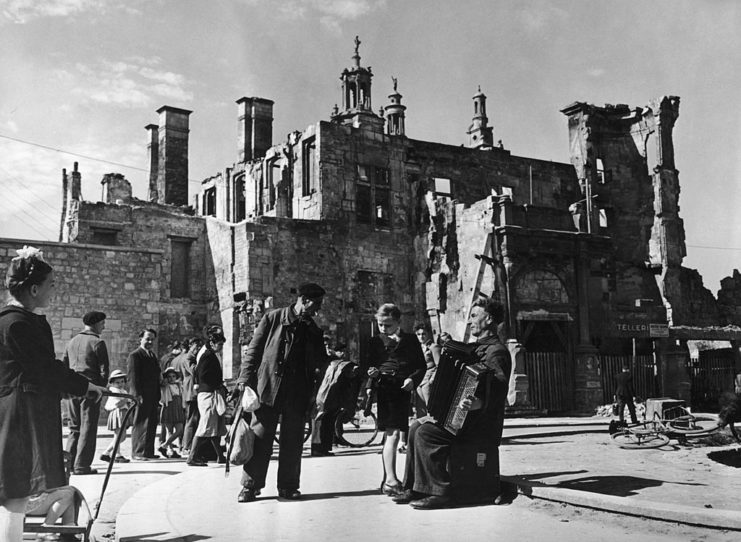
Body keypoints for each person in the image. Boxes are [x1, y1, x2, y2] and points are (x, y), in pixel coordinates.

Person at [0, 246, 106, 542]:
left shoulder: (18, 321)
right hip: (21, 417)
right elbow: (45, 369)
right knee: (15, 495)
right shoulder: (16, 324)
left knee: (17, 493)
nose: (54, 290)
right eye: (51, 285)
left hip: (24, 414)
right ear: (34, 289)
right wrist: (85, 386)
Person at [393, 297, 512, 509]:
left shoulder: (497, 351)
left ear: (489, 319)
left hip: (480, 423)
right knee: (415, 427)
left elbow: (499, 387)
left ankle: (439, 491)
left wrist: (478, 402)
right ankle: (414, 487)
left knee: (426, 433)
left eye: (475, 316)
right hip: (464, 417)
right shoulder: (474, 349)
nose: (470, 321)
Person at [235, 282, 329, 502]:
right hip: (268, 389)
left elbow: (320, 362)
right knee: (260, 438)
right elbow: (254, 351)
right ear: (303, 300)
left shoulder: (313, 330)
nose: (318, 310)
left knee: (293, 441)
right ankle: (250, 485)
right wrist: (244, 380)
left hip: (297, 393)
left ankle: (288, 487)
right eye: (316, 304)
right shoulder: (273, 319)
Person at [365, 303, 426, 496]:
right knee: (391, 433)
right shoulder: (374, 342)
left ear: (398, 322)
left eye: (388, 325)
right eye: (380, 325)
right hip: (386, 389)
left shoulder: (411, 340)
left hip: (403, 390)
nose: (383, 329)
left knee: (397, 431)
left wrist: (412, 379)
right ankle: (391, 480)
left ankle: (388, 479)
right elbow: (368, 366)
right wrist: (370, 380)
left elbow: (421, 366)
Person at [63, 310, 110, 475]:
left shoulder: (72, 342)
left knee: (74, 428)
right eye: (102, 323)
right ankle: (82, 466)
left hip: (72, 390)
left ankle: (67, 464)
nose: (103, 327)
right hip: (91, 391)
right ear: (96, 323)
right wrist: (101, 388)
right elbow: (104, 372)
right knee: (88, 427)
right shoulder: (97, 342)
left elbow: (63, 365)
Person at [187, 325, 227, 467]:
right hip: (208, 393)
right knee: (205, 425)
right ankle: (191, 457)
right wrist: (217, 384)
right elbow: (202, 375)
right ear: (212, 343)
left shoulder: (210, 354)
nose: (221, 347)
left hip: (209, 392)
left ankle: (220, 456)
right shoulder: (207, 356)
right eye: (220, 345)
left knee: (213, 425)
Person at [311, 342, 358, 456]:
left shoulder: (334, 363)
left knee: (326, 422)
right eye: (341, 351)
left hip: (328, 397)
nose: (343, 354)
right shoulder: (334, 363)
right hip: (326, 397)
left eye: (345, 352)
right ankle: (318, 448)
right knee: (322, 422)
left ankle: (323, 448)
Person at [127, 328, 162, 460]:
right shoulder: (135, 355)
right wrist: (137, 394)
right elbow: (133, 377)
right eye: (147, 339)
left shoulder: (152, 356)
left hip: (152, 395)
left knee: (151, 423)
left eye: (152, 339)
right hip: (141, 395)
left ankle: (148, 451)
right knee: (141, 422)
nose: (150, 341)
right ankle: (138, 452)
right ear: (140, 339)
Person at [172, 337, 203, 454]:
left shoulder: (190, 357)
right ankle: (187, 446)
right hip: (190, 391)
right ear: (191, 345)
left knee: (193, 419)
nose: (198, 349)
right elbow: (194, 371)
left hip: (191, 390)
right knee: (191, 419)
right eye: (196, 346)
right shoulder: (189, 358)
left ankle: (188, 444)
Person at [100, 369, 133, 463]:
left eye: (122, 381)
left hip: (123, 412)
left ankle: (111, 454)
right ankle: (112, 453)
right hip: (118, 413)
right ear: (112, 383)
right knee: (120, 436)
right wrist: (127, 399)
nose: (121, 384)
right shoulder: (114, 392)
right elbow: (117, 404)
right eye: (117, 382)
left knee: (118, 436)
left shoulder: (122, 391)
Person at [159, 367, 186, 459]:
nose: (171, 378)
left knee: (180, 430)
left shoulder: (178, 385)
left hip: (177, 407)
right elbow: (162, 384)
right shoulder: (165, 386)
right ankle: (170, 450)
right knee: (169, 431)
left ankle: (164, 446)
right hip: (168, 407)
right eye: (169, 376)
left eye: (173, 376)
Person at [413, 323, 439, 418]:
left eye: (423, 334)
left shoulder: (434, 347)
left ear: (428, 334)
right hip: (419, 380)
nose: (421, 336)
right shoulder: (417, 348)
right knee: (420, 409)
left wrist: (432, 380)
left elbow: (439, 366)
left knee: (430, 408)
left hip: (428, 380)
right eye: (418, 334)